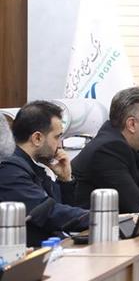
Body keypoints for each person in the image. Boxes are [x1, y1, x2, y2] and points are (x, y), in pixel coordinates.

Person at [0, 101, 88, 246]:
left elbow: (61, 211)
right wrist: (98, 217)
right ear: (37, 138)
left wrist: (65, 179)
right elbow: (49, 213)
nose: (60, 145)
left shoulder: (32, 166)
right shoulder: (9, 169)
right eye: (57, 137)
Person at [73, 86, 139, 213]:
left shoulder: (136, 147)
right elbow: (137, 205)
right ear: (131, 124)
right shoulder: (108, 150)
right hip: (91, 224)